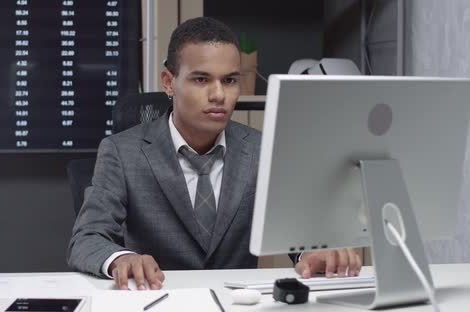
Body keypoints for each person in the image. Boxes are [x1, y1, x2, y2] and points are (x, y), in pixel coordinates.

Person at [67, 16, 361, 290]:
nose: (219, 94)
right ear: (169, 82)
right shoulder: (121, 151)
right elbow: (88, 238)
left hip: (236, 302)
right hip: (157, 299)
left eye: (230, 80)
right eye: (201, 79)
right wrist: (121, 259)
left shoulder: (263, 149)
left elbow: (297, 235)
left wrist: (314, 253)